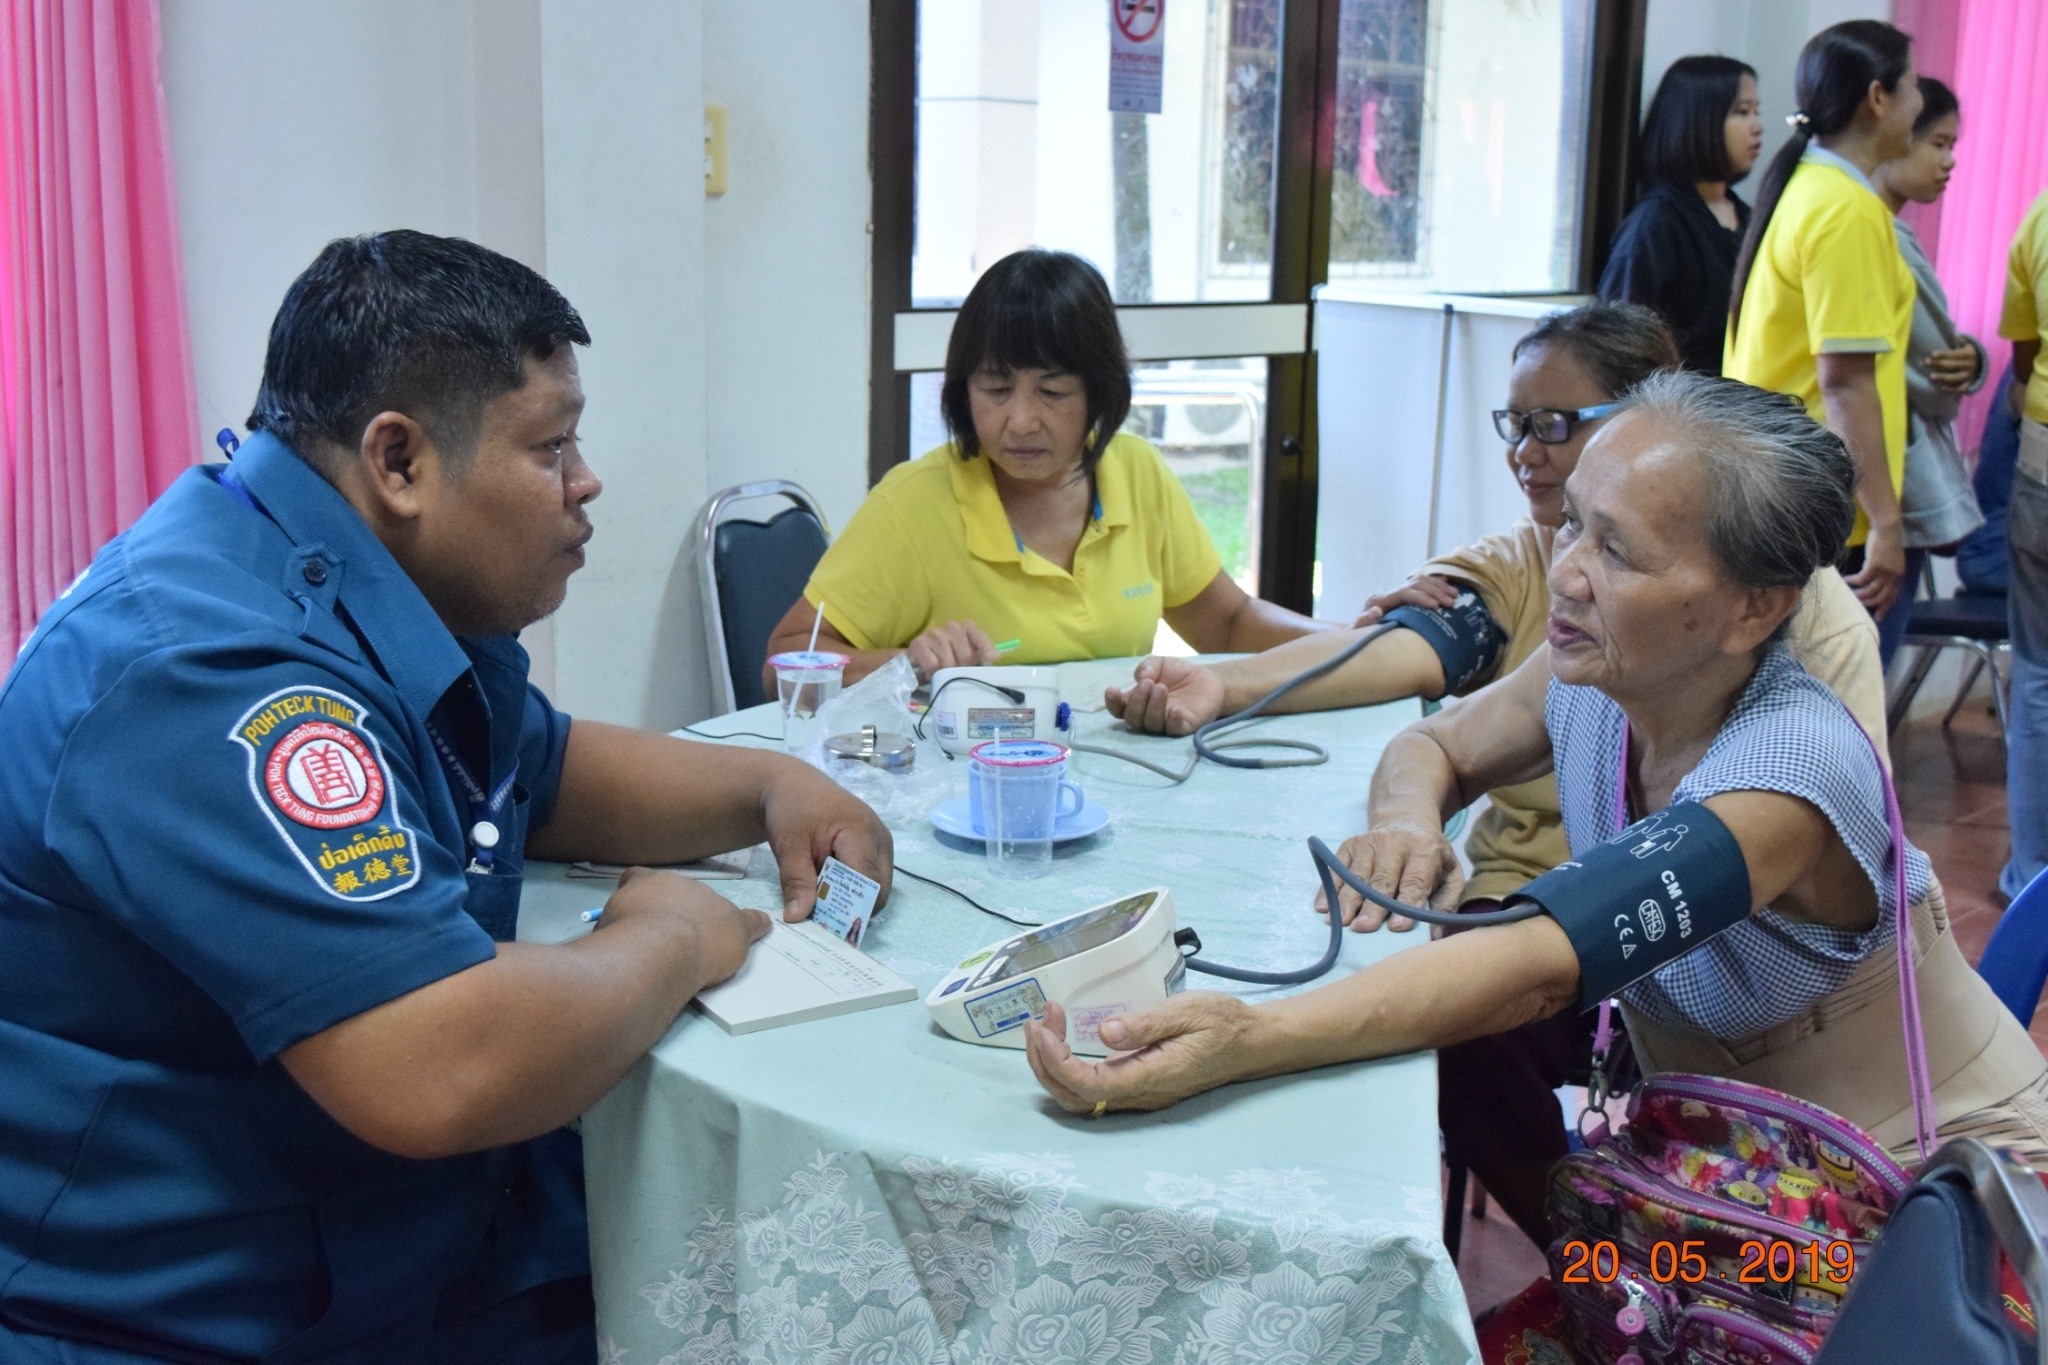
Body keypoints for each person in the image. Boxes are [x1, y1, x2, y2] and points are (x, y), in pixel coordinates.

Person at [0, 232, 893, 1363]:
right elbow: (435, 1064)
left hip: (410, 1230)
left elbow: (535, 769)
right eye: (551, 446)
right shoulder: (205, 675)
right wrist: (672, 936)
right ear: (399, 460)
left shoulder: (340, 566)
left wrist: (771, 784)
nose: (586, 480)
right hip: (208, 1303)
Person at [1025, 373, 2048, 1245]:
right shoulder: (1602, 677)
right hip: (1740, 1174)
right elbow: (1435, 743)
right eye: (1572, 527)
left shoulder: (1789, 773)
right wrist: (1407, 823)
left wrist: (1249, 1036)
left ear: (1756, 606)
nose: (1564, 573)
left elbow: (1537, 964)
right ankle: (1587, 1268)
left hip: (1917, 1203)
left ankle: (1590, 1274)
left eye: (1618, 552)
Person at [764, 250, 1323, 685]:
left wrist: (1350, 641)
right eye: (996, 390)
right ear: (963, 392)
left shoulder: (1135, 472)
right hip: (964, 780)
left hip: (1114, 772)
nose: (1021, 421)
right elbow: (783, 663)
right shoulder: (915, 503)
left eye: (1053, 392)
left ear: (1099, 392)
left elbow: (1227, 623)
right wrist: (906, 663)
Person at [1726, 20, 1922, 626]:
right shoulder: (1845, 208)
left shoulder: (1808, 185)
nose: (1920, 103)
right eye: (1914, 86)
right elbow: (1845, 383)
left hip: (1782, 489)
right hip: (1823, 505)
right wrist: (1886, 522)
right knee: (1831, 684)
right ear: (1877, 97)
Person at [1871, 76, 1986, 664]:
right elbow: (1939, 384)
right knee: (1865, 674)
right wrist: (1967, 366)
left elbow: (1948, 356)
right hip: (1888, 479)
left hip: (1871, 479)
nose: (1949, 162)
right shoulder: (1880, 235)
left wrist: (1973, 358)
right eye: (1938, 143)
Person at [1598, 56, 1764, 374]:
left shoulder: (1748, 217)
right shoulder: (1655, 224)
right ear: (1696, 121)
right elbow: (1621, 348)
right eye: (1741, 112)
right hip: (1683, 400)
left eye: (1757, 111)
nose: (1757, 126)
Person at [2000, 184, 2048, 904]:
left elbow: (2023, 357)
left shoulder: (2041, 212)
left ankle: (2032, 880)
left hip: (2043, 461)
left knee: (2038, 672)